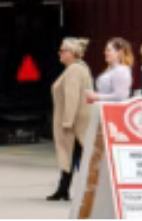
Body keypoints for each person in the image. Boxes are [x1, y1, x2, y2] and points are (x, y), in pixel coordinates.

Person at [48, 37, 94, 202]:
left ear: (73, 53)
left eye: (63, 50)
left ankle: (83, 191)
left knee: (74, 155)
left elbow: (72, 96)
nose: (59, 53)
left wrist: (67, 121)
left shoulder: (74, 70)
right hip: (79, 120)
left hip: (73, 122)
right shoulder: (80, 67)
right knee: (73, 155)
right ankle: (64, 188)